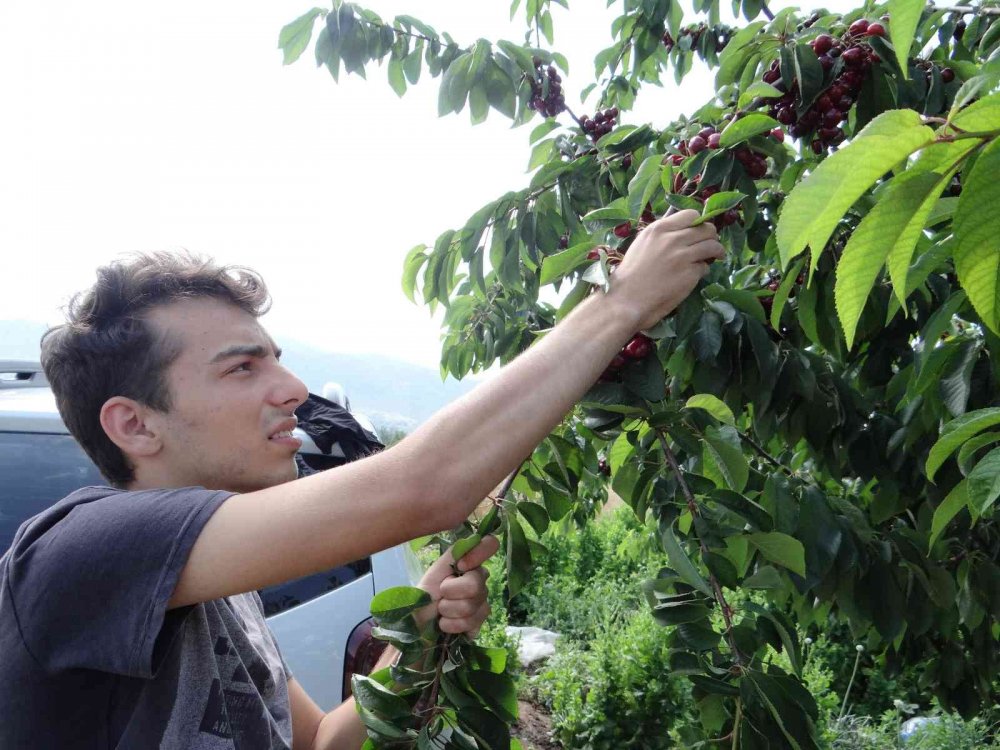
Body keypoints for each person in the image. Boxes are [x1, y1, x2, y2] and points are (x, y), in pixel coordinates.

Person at [0, 209, 723, 749]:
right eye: (242, 366)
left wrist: (414, 643)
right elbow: (425, 486)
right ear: (134, 426)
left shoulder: (222, 590)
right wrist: (622, 302)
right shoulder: (76, 551)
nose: (292, 388)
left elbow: (317, 743)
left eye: (276, 358)